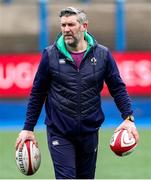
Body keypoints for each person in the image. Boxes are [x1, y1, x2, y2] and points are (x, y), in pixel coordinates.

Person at [15, 7, 139, 179]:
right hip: (60, 132)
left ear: (84, 26)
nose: (66, 29)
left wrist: (129, 118)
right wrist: (28, 128)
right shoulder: (50, 55)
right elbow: (37, 93)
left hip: (89, 132)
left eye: (71, 24)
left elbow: (117, 88)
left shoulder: (102, 54)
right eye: (63, 25)